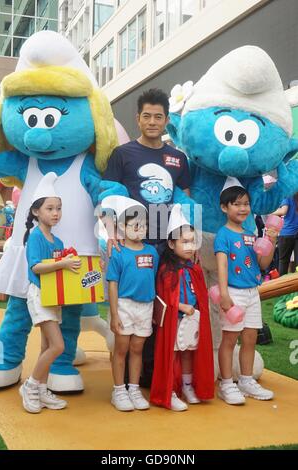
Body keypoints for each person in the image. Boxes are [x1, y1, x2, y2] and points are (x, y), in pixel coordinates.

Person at [102, 88, 191, 387]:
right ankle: (124, 378)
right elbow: (108, 196)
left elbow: (185, 201)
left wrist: (183, 241)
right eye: (146, 116)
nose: (152, 121)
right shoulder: (123, 154)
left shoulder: (178, 158)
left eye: (158, 116)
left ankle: (154, 373)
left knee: (162, 308)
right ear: (137, 119)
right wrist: (111, 230)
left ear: (166, 120)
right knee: (130, 305)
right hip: (132, 246)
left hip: (166, 247)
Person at [19, 173, 81, 413]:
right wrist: (63, 264)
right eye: (50, 208)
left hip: (53, 297)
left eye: (59, 208)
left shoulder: (57, 240)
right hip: (40, 295)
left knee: (48, 346)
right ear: (36, 212)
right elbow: (36, 267)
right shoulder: (35, 237)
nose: (55, 213)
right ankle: (31, 385)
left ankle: (42, 390)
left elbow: (62, 270)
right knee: (57, 345)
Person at [214, 182, 279, 405]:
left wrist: (270, 240)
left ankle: (246, 380)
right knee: (230, 338)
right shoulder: (222, 235)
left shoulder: (251, 234)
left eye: (246, 204)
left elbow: (263, 263)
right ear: (224, 208)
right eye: (237, 204)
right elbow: (221, 265)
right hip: (233, 292)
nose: (243, 208)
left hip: (253, 292)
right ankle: (226, 384)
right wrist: (224, 294)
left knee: (250, 338)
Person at [150, 204, 214, 411]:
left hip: (192, 319)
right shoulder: (166, 270)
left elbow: (200, 294)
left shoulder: (194, 268)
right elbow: (163, 298)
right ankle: (170, 390)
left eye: (192, 242)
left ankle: (187, 386)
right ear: (170, 243)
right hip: (174, 320)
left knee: (188, 352)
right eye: (184, 242)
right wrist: (181, 306)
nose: (189, 246)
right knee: (173, 354)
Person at [105, 196, 159, 411]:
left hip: (145, 307)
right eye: (134, 225)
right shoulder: (118, 253)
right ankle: (118, 390)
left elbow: (152, 280)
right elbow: (112, 285)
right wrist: (115, 314)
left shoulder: (152, 252)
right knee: (121, 348)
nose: (140, 228)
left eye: (143, 225)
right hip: (124, 306)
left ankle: (134, 389)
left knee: (138, 348)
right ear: (121, 227)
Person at [272, 194, 298, 276]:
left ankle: (283, 285)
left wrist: (270, 211)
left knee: (283, 261)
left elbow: (283, 211)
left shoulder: (287, 196)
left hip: (286, 233)